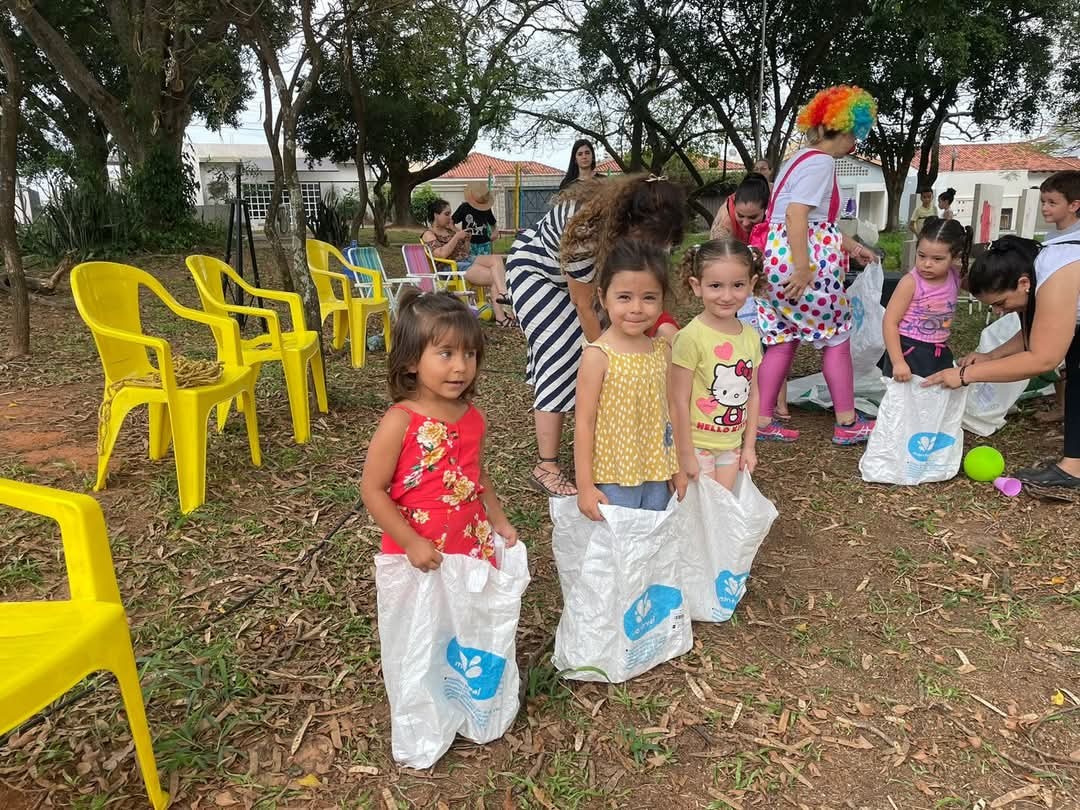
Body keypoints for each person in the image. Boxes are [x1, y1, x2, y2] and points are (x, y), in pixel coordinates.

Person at [506, 174, 686, 497]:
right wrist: (606, 360)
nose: (655, 250)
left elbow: (634, 302)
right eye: (651, 240)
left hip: (578, 280)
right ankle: (546, 465)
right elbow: (585, 305)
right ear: (629, 222)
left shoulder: (640, 232)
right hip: (535, 271)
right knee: (560, 355)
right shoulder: (587, 230)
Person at [924, 170, 1080, 490]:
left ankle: (1073, 467)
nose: (998, 312)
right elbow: (1035, 334)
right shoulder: (1040, 266)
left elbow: (1042, 358)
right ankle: (1074, 464)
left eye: (1000, 302)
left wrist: (966, 376)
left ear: (1023, 283)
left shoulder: (1056, 269)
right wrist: (989, 355)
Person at [753, 85, 880, 445]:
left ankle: (762, 421)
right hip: (801, 262)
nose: (855, 142)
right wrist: (804, 268)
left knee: (782, 339)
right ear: (841, 129)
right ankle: (847, 422)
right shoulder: (823, 163)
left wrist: (850, 245)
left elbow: (803, 217)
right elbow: (798, 215)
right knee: (837, 337)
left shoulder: (798, 159)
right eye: (856, 133)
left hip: (773, 259)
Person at [360, 289, 518, 571]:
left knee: (466, 612)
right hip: (418, 551)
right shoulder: (400, 421)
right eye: (446, 353)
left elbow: (477, 475)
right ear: (411, 361)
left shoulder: (474, 418)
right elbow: (373, 490)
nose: (461, 366)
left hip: (470, 543)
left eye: (469, 354)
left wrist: (499, 520)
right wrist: (409, 542)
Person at [573, 240, 679, 519]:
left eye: (648, 297)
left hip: (658, 470)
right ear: (603, 296)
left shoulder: (661, 350)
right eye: (624, 297)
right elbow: (584, 423)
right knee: (617, 549)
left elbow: (671, 410)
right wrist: (584, 486)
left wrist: (676, 467)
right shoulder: (598, 356)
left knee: (653, 542)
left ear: (662, 300)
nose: (636, 308)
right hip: (614, 476)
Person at [670, 239, 762, 493]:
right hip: (697, 445)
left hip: (731, 444)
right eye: (715, 286)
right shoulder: (690, 338)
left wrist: (749, 446)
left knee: (722, 508)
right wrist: (685, 453)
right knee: (700, 511)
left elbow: (753, 394)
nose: (727, 295)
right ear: (696, 286)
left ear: (751, 284)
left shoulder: (751, 337)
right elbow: (677, 400)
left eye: (738, 285)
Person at [881, 217, 971, 380]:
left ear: (955, 256)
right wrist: (898, 362)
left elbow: (981, 287)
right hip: (908, 350)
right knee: (904, 401)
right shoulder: (910, 282)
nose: (927, 264)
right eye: (921, 256)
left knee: (934, 397)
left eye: (937, 259)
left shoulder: (955, 276)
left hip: (938, 349)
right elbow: (890, 322)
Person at [422, 198, 515, 326]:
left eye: (450, 214)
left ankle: (504, 294)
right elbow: (441, 254)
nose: (450, 218)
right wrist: (456, 237)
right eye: (446, 214)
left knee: (496, 258)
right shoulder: (429, 234)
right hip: (450, 267)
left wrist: (466, 239)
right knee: (494, 276)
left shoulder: (449, 230)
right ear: (435, 215)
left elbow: (466, 250)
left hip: (465, 260)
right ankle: (501, 317)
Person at [709, 172, 771, 242]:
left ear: (767, 208)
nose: (745, 223)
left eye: (753, 217)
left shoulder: (776, 210)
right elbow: (716, 250)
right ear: (734, 206)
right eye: (740, 215)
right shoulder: (726, 219)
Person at [453, 183, 498, 257]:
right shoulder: (464, 207)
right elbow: (451, 223)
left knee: (485, 265)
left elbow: (493, 223)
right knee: (471, 266)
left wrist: (495, 232)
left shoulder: (486, 208)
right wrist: (458, 233)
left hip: (485, 244)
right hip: (469, 244)